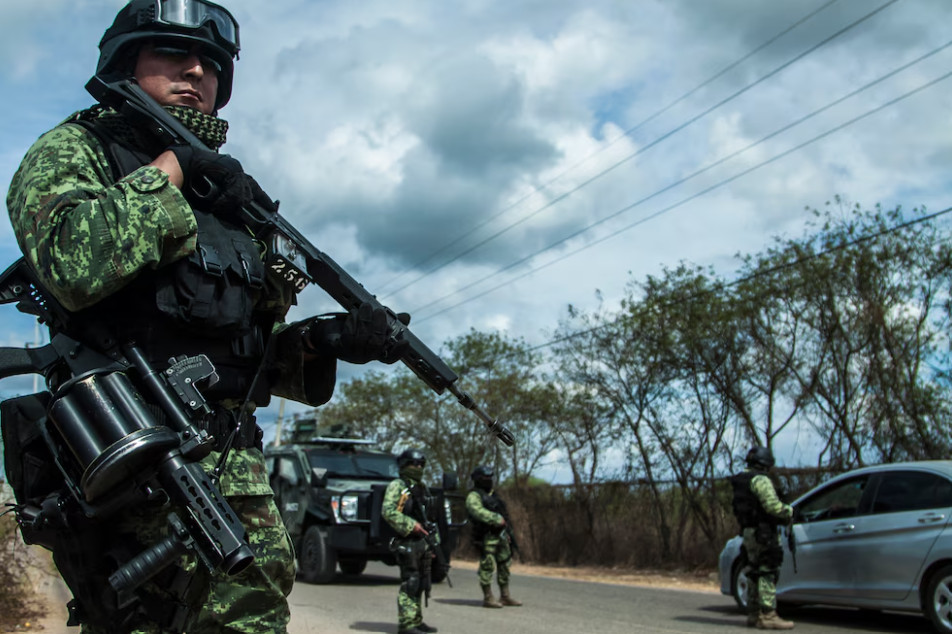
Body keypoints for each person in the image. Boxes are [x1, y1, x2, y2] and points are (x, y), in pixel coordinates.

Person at [5, 1, 405, 632]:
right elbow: (70, 265)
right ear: (125, 64)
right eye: (171, 53)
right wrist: (171, 171)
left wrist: (327, 339)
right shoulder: (75, 150)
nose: (195, 71)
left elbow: (246, 356)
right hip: (136, 479)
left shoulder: (229, 202)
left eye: (211, 64)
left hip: (238, 487)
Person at [730, 447, 795, 630]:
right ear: (765, 464)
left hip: (748, 532)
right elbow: (772, 506)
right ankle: (768, 615)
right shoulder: (760, 480)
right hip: (763, 532)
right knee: (768, 570)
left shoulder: (741, 479)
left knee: (753, 572)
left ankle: (754, 614)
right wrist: (789, 511)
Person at [382, 449, 440, 634]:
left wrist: (433, 544)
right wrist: (411, 525)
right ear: (404, 465)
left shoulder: (422, 487)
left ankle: (416, 620)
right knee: (411, 582)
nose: (418, 467)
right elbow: (388, 511)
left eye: (421, 464)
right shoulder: (397, 486)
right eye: (414, 464)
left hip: (422, 542)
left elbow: (430, 519)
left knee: (422, 583)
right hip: (406, 541)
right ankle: (406, 624)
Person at [465, 465, 522, 609]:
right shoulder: (474, 496)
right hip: (486, 536)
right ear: (478, 479)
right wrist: (495, 519)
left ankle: (505, 595)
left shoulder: (494, 495)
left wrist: (508, 532)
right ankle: (488, 597)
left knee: (505, 564)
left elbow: (505, 515)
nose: (489, 480)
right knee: (487, 566)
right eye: (485, 478)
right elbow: (476, 511)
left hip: (501, 535)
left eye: (490, 477)